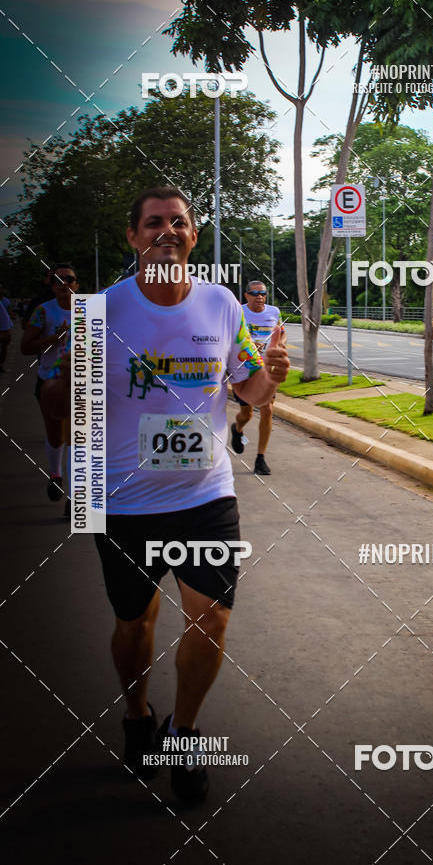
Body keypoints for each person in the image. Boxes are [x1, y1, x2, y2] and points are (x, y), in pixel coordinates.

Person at [94, 187, 289, 804]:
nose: (167, 231)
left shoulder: (223, 305)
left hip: (206, 495)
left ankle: (184, 732)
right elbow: (80, 411)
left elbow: (251, 392)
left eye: (179, 222)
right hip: (125, 502)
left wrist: (271, 377)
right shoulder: (100, 312)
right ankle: (136, 715)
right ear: (134, 236)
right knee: (135, 622)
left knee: (213, 617)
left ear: (193, 236)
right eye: (154, 222)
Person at [21, 265, 77, 510]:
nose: (64, 283)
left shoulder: (90, 311)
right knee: (57, 437)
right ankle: (55, 474)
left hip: (83, 383)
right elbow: (26, 346)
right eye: (58, 280)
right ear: (51, 285)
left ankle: (75, 498)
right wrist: (54, 339)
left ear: (77, 284)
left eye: (69, 279)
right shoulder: (43, 312)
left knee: (78, 440)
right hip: (50, 382)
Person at [230, 280, 283, 475]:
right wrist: (247, 344)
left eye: (263, 293)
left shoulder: (274, 312)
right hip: (243, 369)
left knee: (267, 409)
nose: (259, 296)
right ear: (246, 295)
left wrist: (278, 347)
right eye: (254, 293)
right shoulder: (238, 312)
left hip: (265, 369)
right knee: (247, 414)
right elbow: (229, 337)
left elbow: (279, 333)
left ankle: (260, 458)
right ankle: (237, 428)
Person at [0, 298, 12, 374]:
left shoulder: (6, 301)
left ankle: (0, 365)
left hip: (3, 327)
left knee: (4, 345)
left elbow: (7, 313)